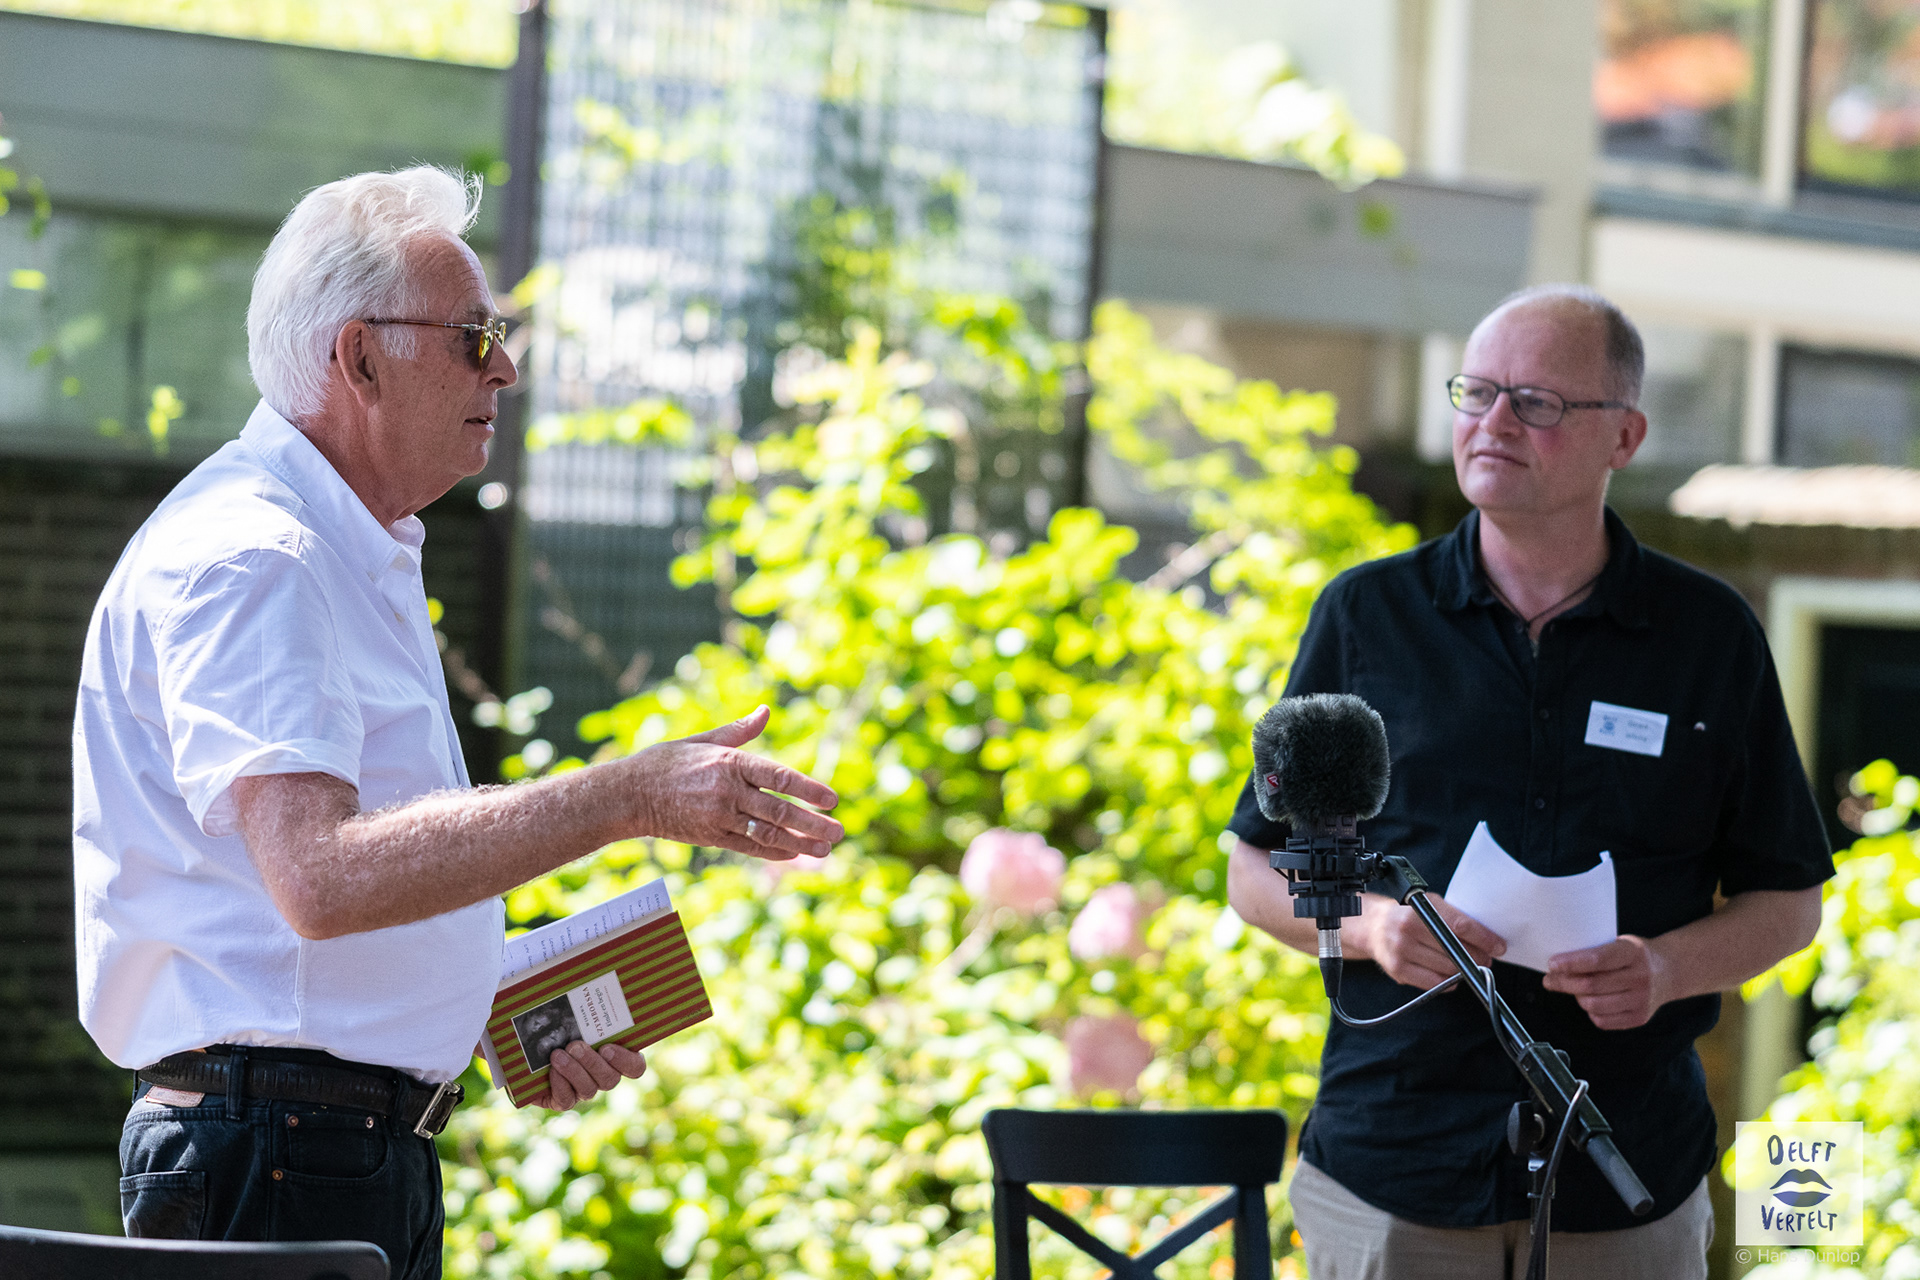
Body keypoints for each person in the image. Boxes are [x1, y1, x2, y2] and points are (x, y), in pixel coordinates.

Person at [73, 166, 844, 1279]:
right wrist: (627, 795)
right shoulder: (259, 555)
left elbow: (290, 924)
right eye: (475, 334)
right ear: (359, 357)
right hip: (279, 1154)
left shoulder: (338, 546)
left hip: (314, 1146)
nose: (508, 367)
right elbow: (320, 876)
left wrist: (489, 1003)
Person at [1224, 284, 1833, 1278]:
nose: (1493, 423)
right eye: (1477, 393)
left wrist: (1669, 967)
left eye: (1538, 402)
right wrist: (1373, 924)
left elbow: (1787, 900)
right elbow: (1262, 868)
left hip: (1625, 1175)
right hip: (1397, 1170)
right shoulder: (1368, 619)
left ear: (1623, 435)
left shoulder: (1706, 638)